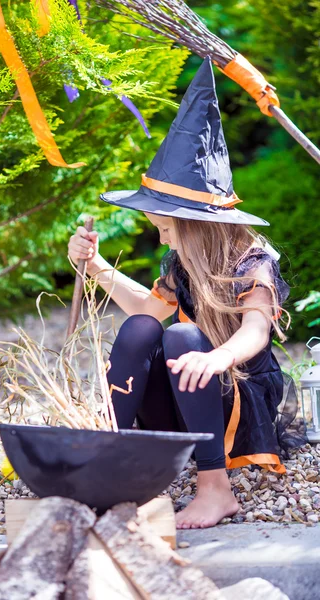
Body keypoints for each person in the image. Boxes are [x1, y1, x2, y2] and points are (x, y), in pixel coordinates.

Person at [68, 58, 306, 529]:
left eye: (164, 228)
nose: (160, 239)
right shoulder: (182, 263)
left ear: (198, 228)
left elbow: (256, 330)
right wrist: (94, 267)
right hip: (186, 402)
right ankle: (109, 466)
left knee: (180, 337)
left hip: (236, 397)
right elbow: (144, 309)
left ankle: (215, 490)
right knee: (142, 327)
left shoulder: (253, 264)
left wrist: (219, 358)